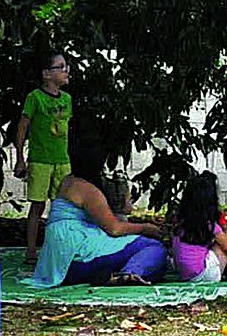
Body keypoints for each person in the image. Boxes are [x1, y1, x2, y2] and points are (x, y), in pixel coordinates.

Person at [27, 165, 167, 287]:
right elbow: (114, 229)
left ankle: (110, 275)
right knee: (154, 248)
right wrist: (145, 228)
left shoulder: (67, 181)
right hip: (77, 258)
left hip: (58, 265)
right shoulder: (88, 189)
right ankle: (128, 274)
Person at [13, 51, 73, 266]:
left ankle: (58, 247)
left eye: (66, 66)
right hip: (40, 160)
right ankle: (31, 249)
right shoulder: (34, 98)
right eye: (61, 67)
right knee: (37, 206)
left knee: (63, 206)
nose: (66, 71)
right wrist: (20, 158)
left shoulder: (67, 99)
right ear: (47, 74)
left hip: (62, 160)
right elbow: (23, 127)